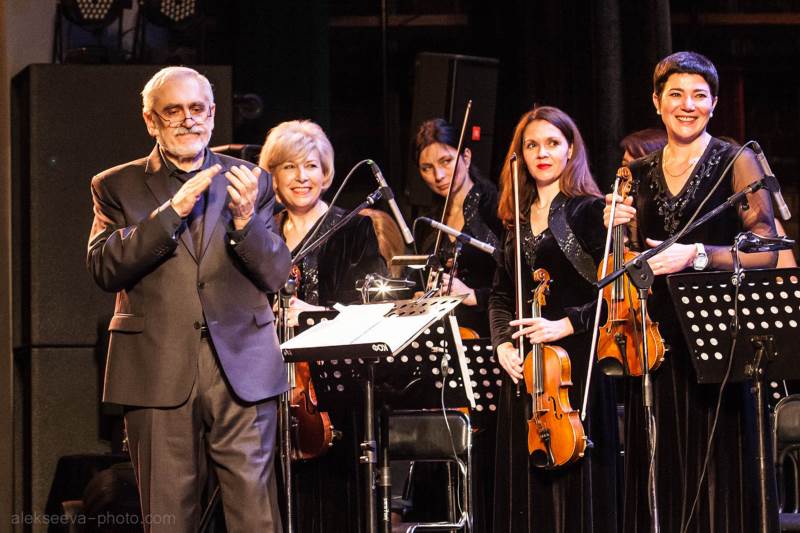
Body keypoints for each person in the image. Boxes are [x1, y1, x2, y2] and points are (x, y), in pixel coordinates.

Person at [87, 66, 291, 531]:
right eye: (173, 110)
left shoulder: (252, 181)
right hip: (157, 369)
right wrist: (170, 214)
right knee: (169, 518)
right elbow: (104, 267)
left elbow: (276, 273)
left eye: (197, 109)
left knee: (256, 517)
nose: (188, 120)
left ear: (213, 114)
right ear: (150, 120)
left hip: (242, 369)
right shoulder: (115, 185)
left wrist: (246, 222)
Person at [605, 51, 779, 532]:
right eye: (676, 94)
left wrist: (697, 255)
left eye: (699, 96)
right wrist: (614, 231)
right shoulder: (637, 172)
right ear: (656, 102)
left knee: (720, 468)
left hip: (719, 335)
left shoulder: (737, 161)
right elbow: (627, 263)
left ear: (714, 103)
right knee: (661, 468)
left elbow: (765, 250)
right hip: (655, 340)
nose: (688, 105)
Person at [489, 106, 619, 533]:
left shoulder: (590, 212)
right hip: (525, 372)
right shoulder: (514, 220)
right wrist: (502, 344)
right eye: (532, 145)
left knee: (576, 482)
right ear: (520, 156)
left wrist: (566, 324)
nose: (542, 153)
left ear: (570, 150)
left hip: (575, 368)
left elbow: (616, 294)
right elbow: (501, 294)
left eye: (551, 143)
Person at [258, 119, 388, 532]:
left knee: (333, 504)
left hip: (332, 390)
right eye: (289, 167)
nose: (302, 177)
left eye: (311, 166)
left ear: (326, 172)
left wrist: (311, 314)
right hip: (269, 383)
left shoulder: (353, 228)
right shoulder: (262, 232)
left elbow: (370, 309)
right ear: (273, 175)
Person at [413, 118, 503, 337]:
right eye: (427, 168)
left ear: (466, 157)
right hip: (443, 336)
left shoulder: (498, 209)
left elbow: (517, 283)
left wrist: (474, 295)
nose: (438, 176)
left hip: (491, 334)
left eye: (446, 161)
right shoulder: (427, 224)